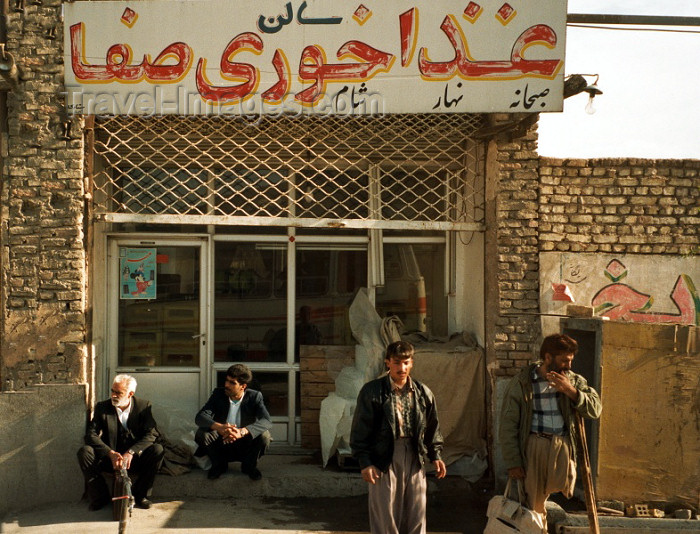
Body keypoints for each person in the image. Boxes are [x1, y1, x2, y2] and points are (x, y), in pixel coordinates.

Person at [499, 333, 602, 524]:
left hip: (562, 446)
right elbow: (508, 424)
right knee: (533, 503)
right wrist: (513, 461)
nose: (569, 366)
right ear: (548, 358)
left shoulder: (574, 381)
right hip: (536, 445)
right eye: (564, 361)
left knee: (562, 491)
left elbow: (595, 409)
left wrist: (571, 391)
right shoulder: (523, 383)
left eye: (571, 361)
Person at [350, 340, 446, 534]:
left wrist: (436, 455)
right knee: (385, 513)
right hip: (384, 455)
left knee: (416, 512)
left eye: (406, 362)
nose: (401, 368)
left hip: (414, 454)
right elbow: (360, 430)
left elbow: (432, 427)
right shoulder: (372, 392)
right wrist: (365, 462)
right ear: (387, 362)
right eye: (396, 362)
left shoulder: (423, 393)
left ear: (411, 363)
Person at [77, 374, 164, 511]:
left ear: (130, 394)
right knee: (85, 452)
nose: (113, 395)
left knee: (157, 450)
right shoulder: (102, 407)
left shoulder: (143, 406)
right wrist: (110, 453)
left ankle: (141, 495)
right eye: (112, 391)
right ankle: (100, 496)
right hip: (110, 459)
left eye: (118, 392)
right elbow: (90, 435)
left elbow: (152, 434)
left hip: (134, 459)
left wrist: (131, 452)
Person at [195, 363, 272, 481]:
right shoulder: (218, 394)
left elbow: (266, 420)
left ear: (243, 386)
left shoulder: (254, 396)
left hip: (244, 443)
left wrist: (242, 431)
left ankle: (249, 466)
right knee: (202, 434)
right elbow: (200, 417)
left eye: (232, 383)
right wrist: (220, 427)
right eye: (227, 380)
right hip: (222, 441)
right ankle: (219, 465)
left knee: (264, 436)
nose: (226, 385)